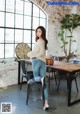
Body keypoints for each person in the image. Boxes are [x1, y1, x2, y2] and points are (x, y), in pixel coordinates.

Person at [27, 26, 49, 110]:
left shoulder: (40, 41)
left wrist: (31, 55)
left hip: (36, 61)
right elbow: (42, 53)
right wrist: (31, 54)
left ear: (42, 32)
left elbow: (40, 52)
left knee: (36, 78)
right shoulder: (43, 41)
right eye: (37, 31)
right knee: (44, 83)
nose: (38, 33)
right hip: (43, 62)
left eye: (39, 31)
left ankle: (40, 79)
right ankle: (46, 103)